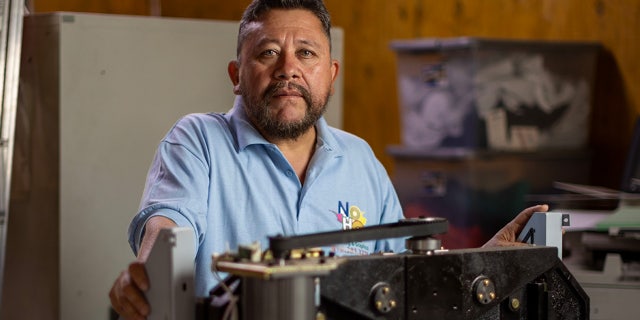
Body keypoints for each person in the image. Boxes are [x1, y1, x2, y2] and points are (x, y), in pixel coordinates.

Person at [109, 0, 549, 319]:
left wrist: (484, 265)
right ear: (236, 76)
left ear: (330, 75)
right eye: (267, 53)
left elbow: (408, 278)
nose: (288, 68)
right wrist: (145, 278)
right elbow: (167, 226)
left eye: (306, 52)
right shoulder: (199, 141)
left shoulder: (360, 160)